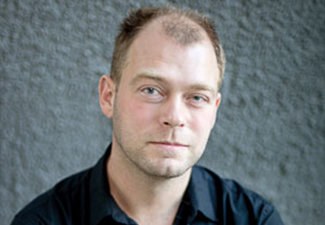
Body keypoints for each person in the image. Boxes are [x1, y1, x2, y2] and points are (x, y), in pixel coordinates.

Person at [11, 6, 284, 225]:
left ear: (214, 110)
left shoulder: (254, 219)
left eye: (197, 97)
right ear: (108, 96)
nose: (175, 117)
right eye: (152, 90)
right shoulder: (42, 221)